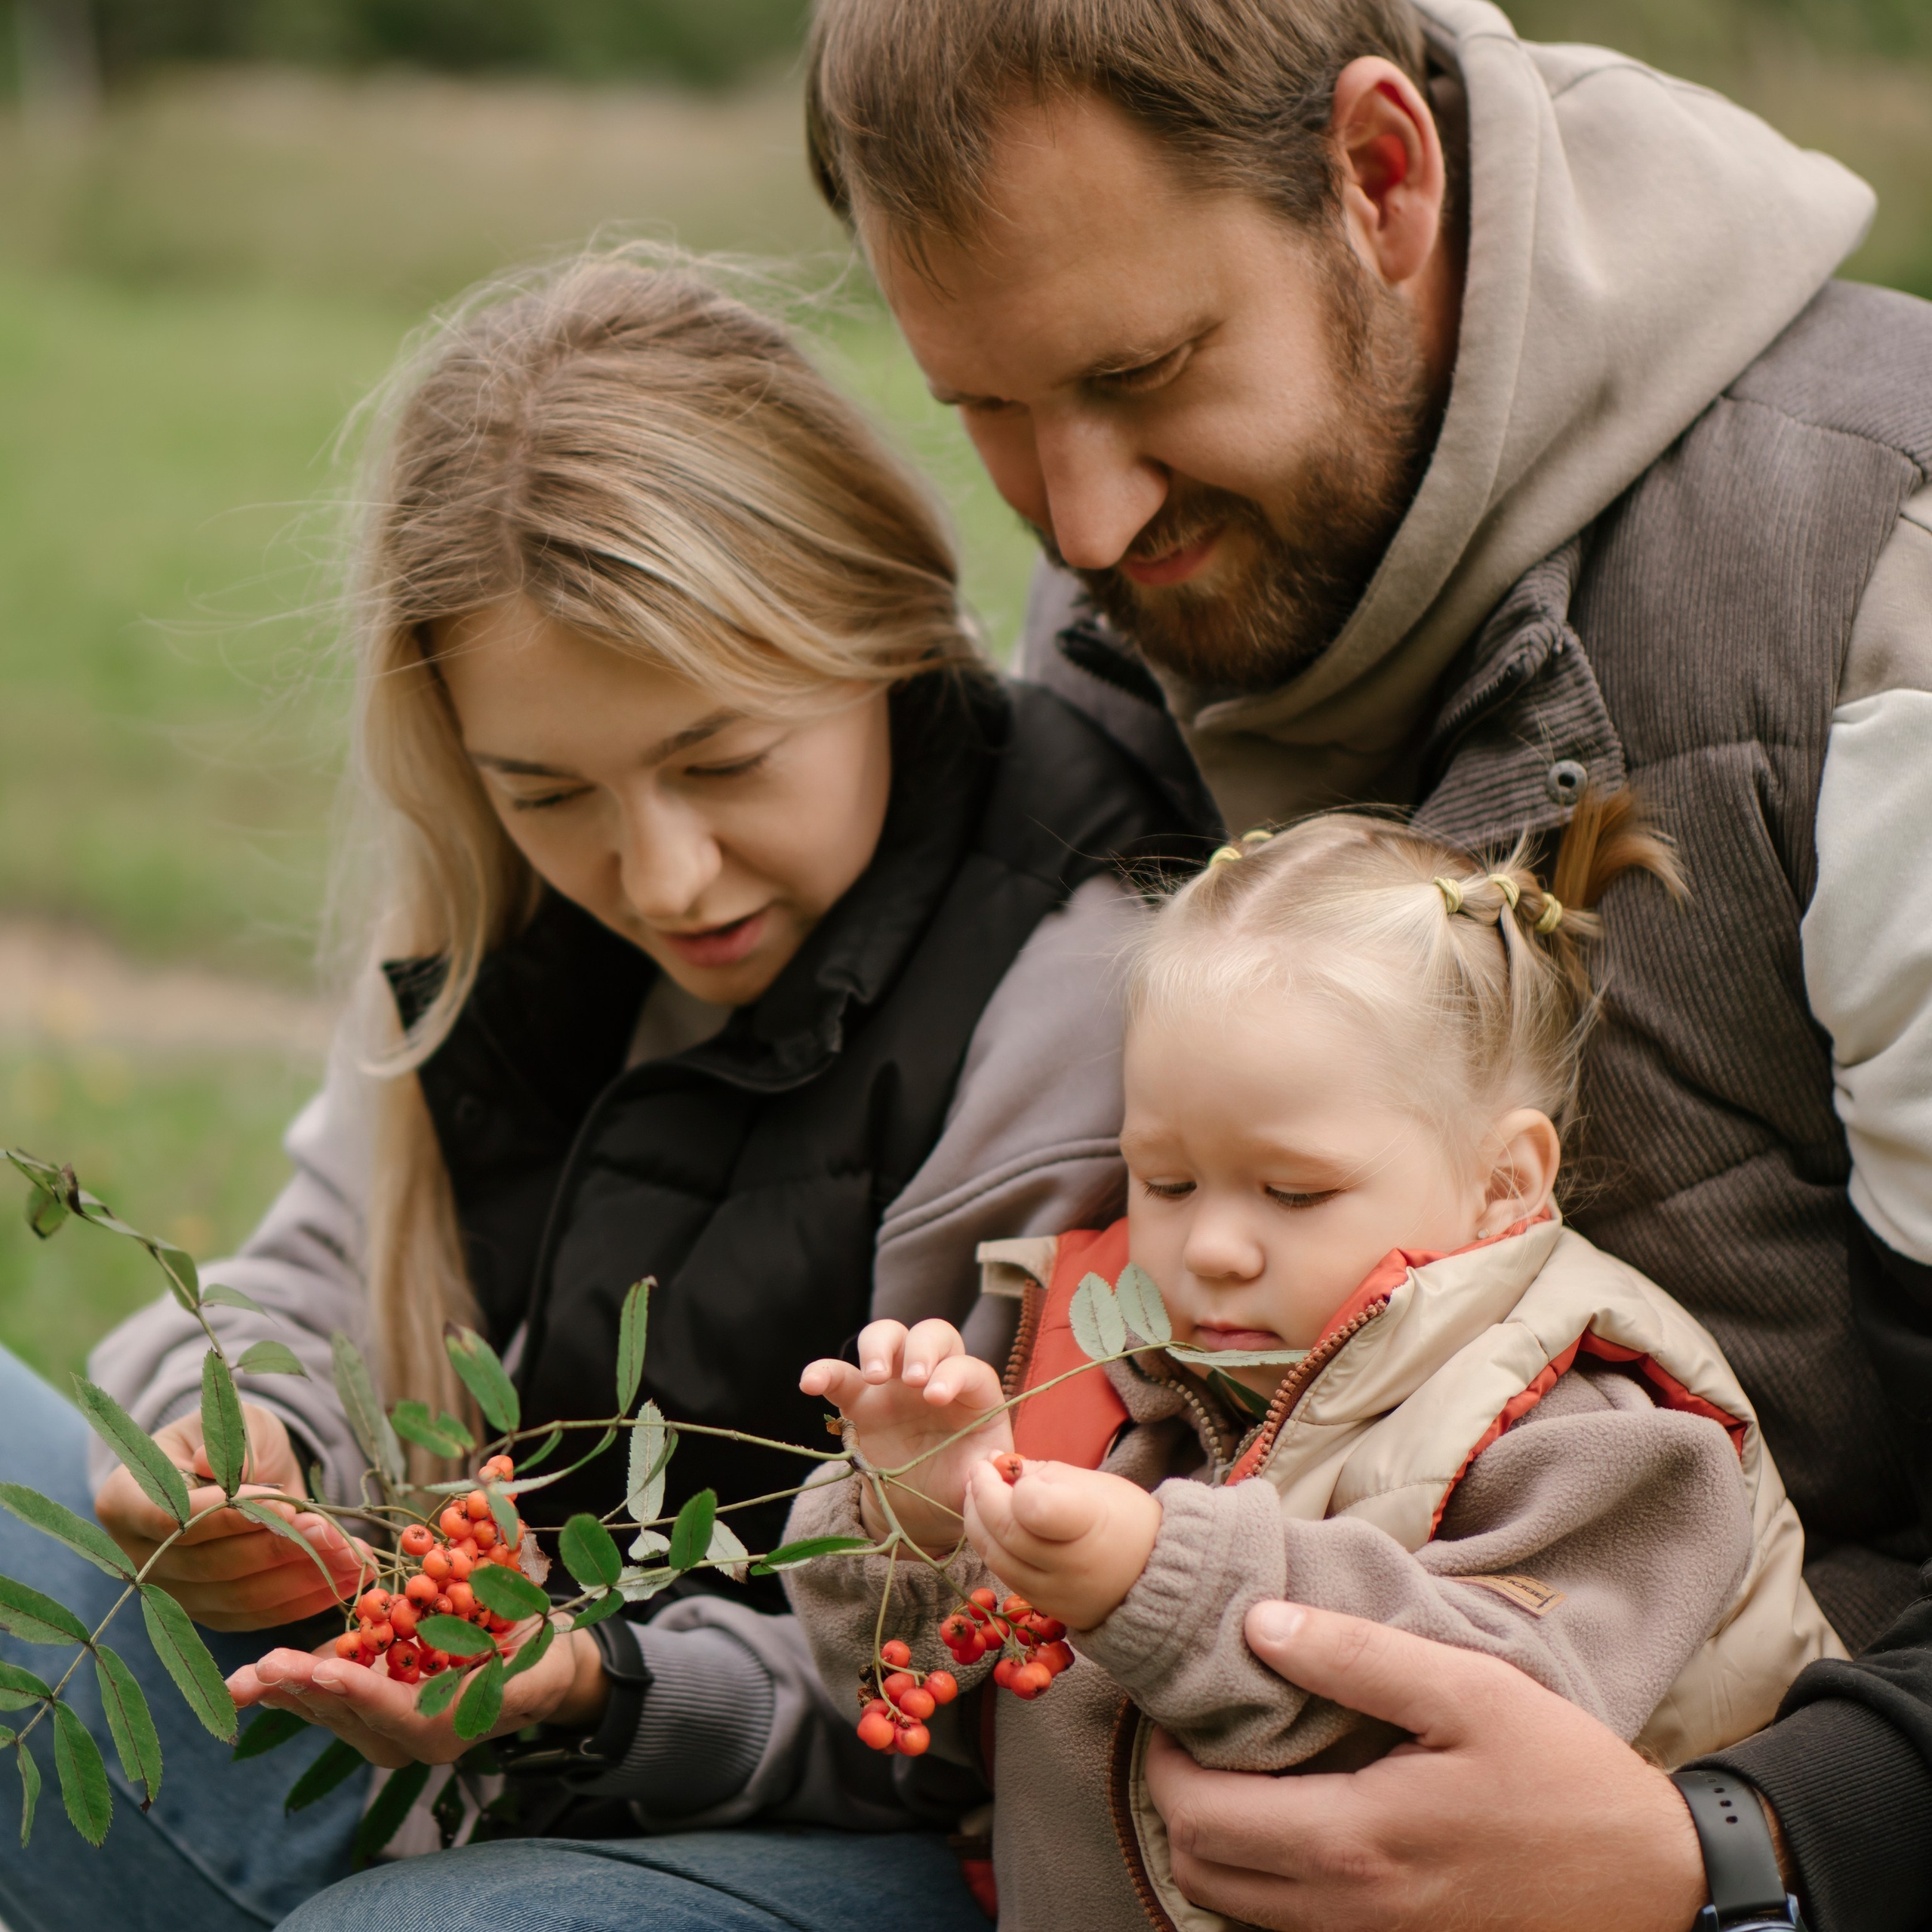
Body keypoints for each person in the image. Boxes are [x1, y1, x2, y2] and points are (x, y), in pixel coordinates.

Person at [801, 0, 1932, 1921]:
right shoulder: (1136, 570)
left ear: (1378, 177)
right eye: (983, 407)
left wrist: (1737, 1841)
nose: (1078, 521)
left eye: (1142, 368)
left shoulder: (1873, 578)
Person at [0, 250, 1187, 1932]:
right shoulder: (494, 914)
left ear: (879, 632)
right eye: (548, 788)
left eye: (720, 760)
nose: (661, 870)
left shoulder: (1070, 998)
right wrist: (241, 1434)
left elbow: (970, 1676)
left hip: (856, 1831)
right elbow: (311, 1274)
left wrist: (586, 1683)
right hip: (449, 1760)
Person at [787, 799, 1838, 1929]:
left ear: (1503, 1183)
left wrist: (1161, 1583)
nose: (1211, 1248)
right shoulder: (1121, 1379)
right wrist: (918, 1517)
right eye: (1166, 1181)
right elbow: (918, 1708)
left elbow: (1488, 1734)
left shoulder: (1602, 1429)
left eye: (1295, 1193)